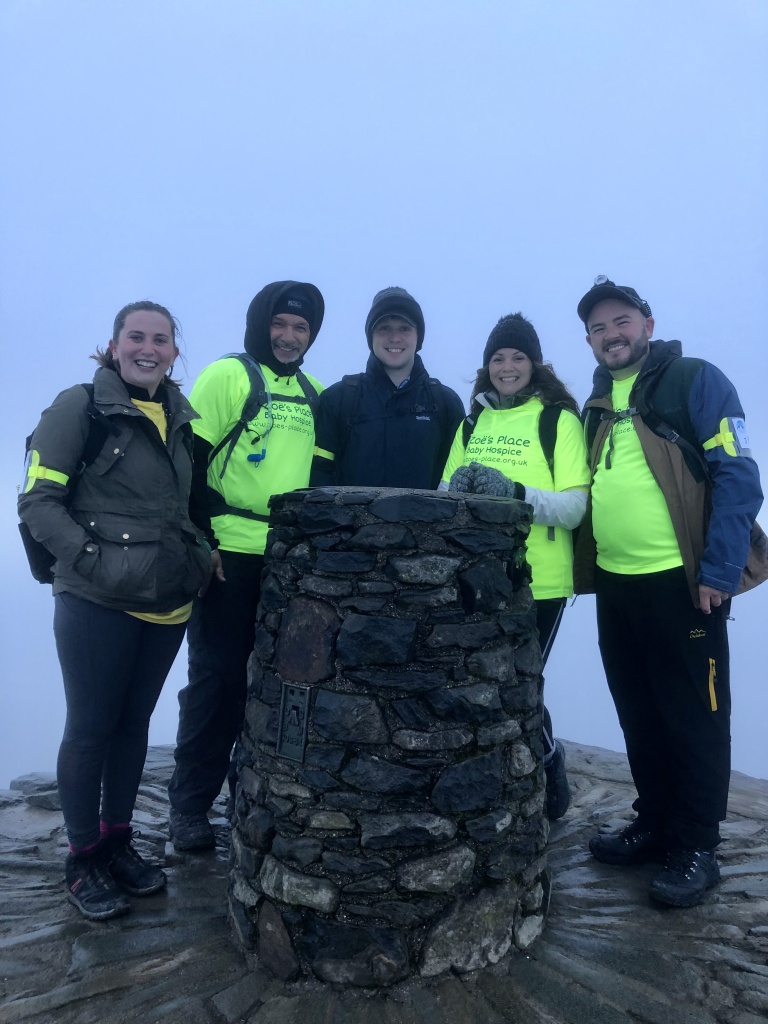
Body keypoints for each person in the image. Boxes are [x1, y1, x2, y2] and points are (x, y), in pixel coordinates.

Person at [18, 301, 212, 921]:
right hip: (96, 599)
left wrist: (203, 555)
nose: (147, 348)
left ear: (175, 353)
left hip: (166, 602)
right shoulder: (80, 406)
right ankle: (82, 860)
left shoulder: (180, 416)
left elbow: (183, 508)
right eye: (137, 337)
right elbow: (37, 502)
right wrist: (92, 560)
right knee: (90, 728)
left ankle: (118, 843)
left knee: (132, 727)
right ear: (114, 343)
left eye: (161, 339)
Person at [574, 276, 762, 907]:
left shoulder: (696, 380)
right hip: (617, 586)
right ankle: (654, 823)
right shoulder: (595, 404)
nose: (610, 335)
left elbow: (739, 474)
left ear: (648, 325)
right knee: (639, 709)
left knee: (695, 717)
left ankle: (696, 847)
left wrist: (718, 571)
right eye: (598, 328)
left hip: (684, 587)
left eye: (621, 321)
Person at [168, 281, 324, 850]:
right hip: (227, 554)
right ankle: (188, 807)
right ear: (262, 324)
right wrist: (202, 542)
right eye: (280, 324)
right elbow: (190, 462)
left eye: (301, 328)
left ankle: (247, 795)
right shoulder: (227, 376)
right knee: (217, 680)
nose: (288, 337)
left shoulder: (314, 391)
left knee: (278, 683)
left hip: (285, 558)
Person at [440, 313, 590, 820]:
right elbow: (444, 495)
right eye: (498, 358)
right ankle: (502, 785)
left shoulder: (557, 421)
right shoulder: (472, 421)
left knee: (522, 685)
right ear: (486, 367)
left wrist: (515, 494)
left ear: (535, 364)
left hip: (541, 579)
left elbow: (574, 507)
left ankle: (547, 769)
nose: (507, 367)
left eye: (517, 357)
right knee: (489, 685)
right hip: (478, 577)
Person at [310, 286, 464, 489]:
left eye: (405, 328)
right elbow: (320, 475)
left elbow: (455, 483)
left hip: (423, 522)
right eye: (384, 328)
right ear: (371, 336)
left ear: (419, 336)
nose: (394, 338)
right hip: (351, 522)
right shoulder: (339, 399)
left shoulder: (445, 403)